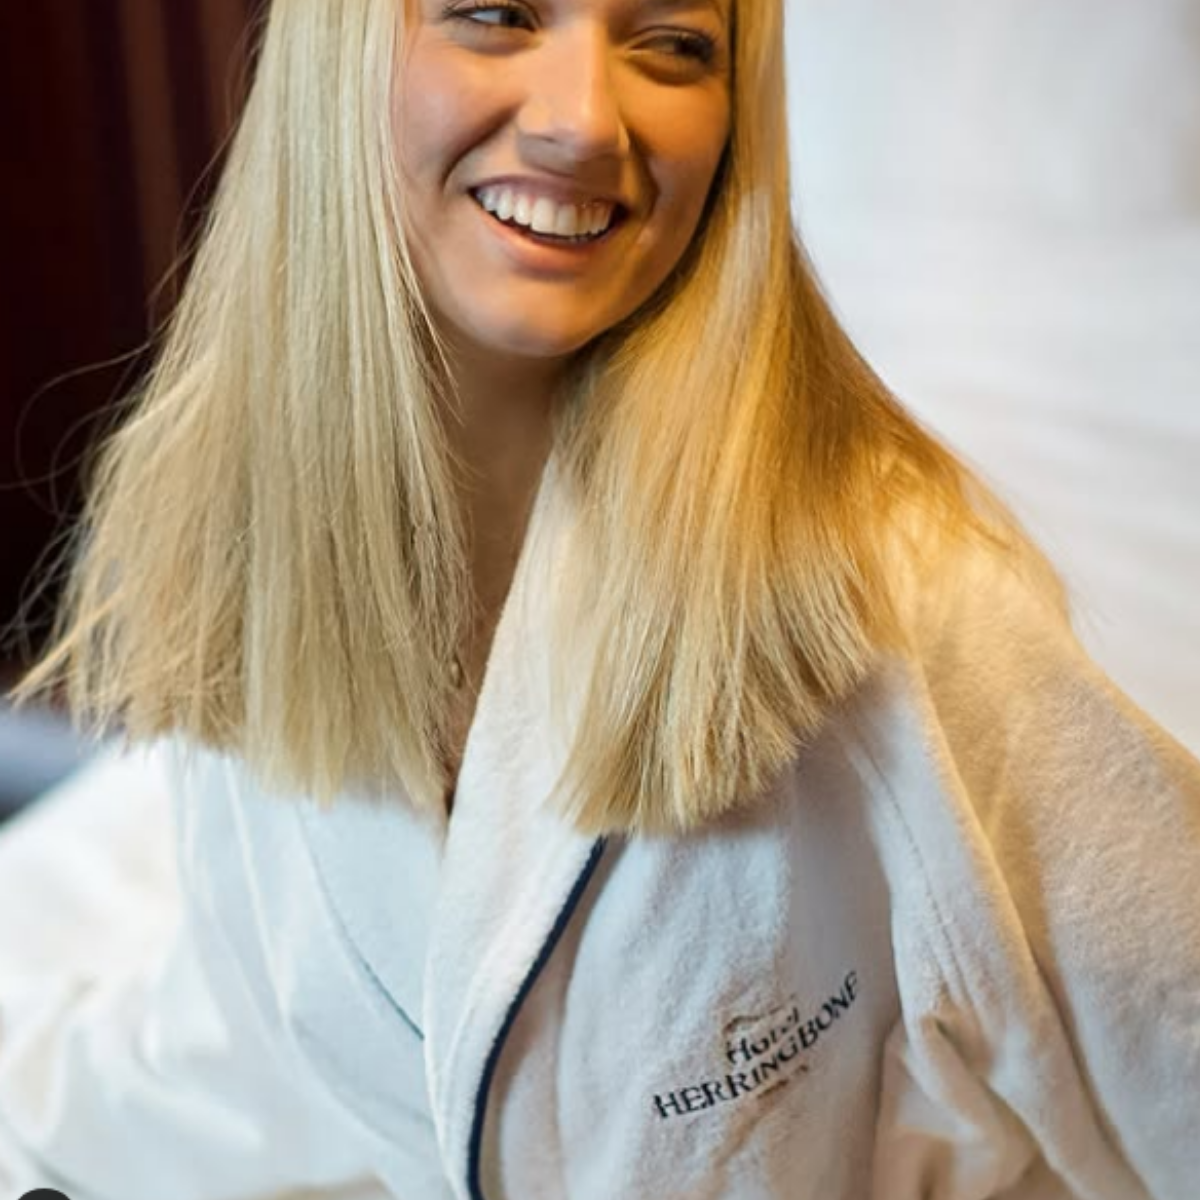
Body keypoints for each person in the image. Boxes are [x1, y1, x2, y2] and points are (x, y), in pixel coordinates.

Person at [2, 1, 1198, 1197]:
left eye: (675, 47)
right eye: (497, 14)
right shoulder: (266, 562)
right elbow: (273, 1049)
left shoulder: (898, 612)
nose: (582, 122)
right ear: (340, 59)